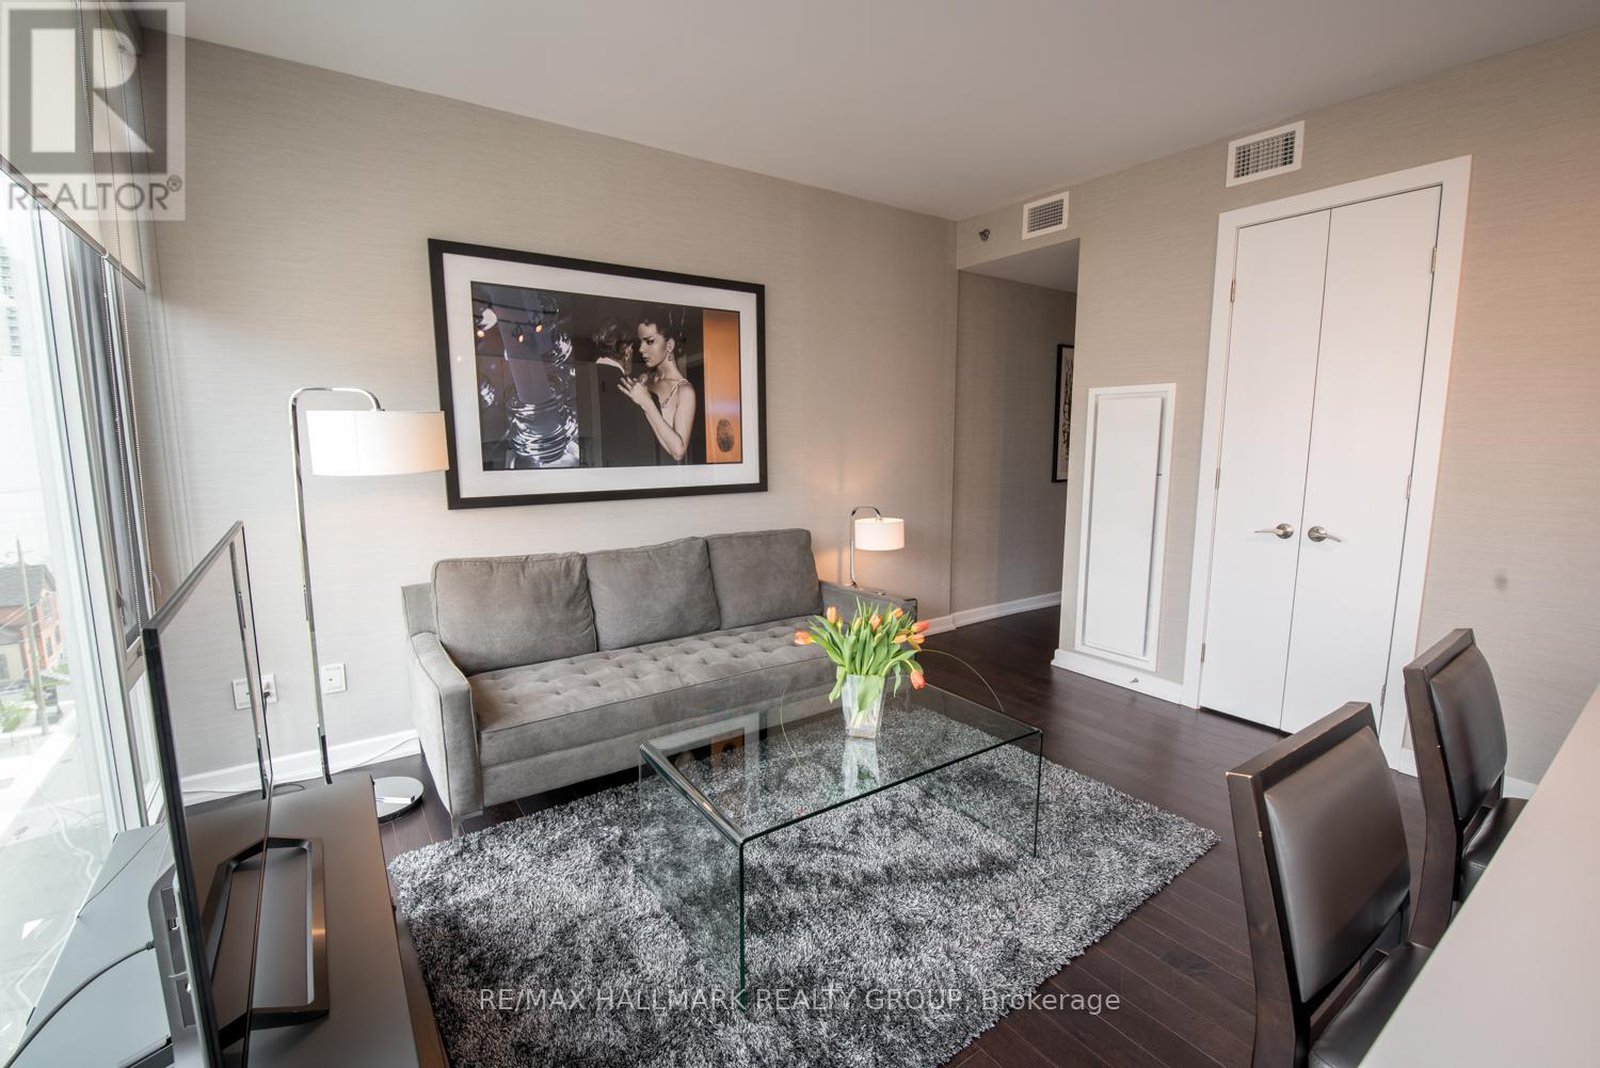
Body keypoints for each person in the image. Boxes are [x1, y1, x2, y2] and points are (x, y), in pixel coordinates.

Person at [619, 305, 697, 463]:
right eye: (640, 342)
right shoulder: (645, 379)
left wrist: (646, 402)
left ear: (669, 345)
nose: (641, 349)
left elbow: (678, 452)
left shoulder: (684, 391)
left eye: (649, 341)